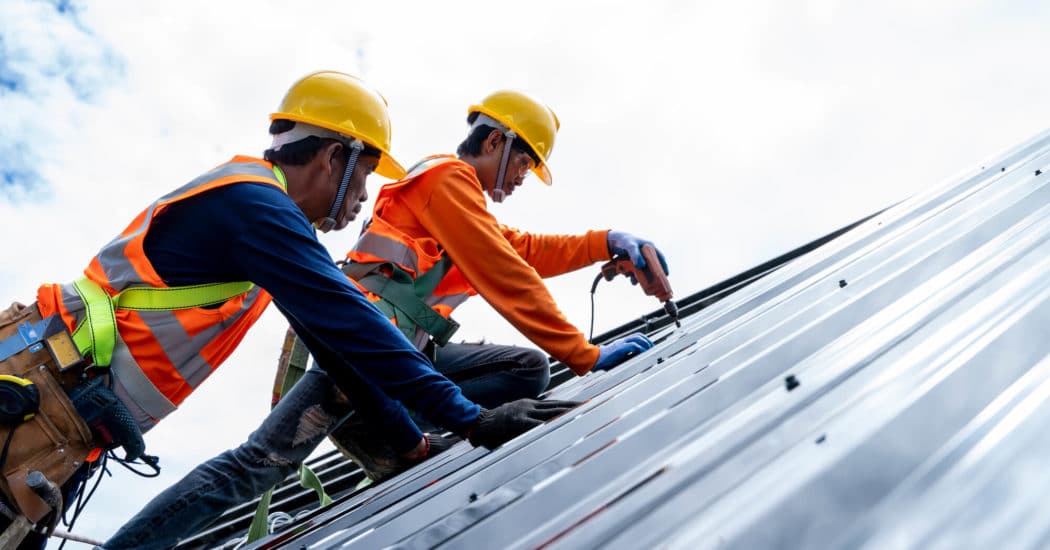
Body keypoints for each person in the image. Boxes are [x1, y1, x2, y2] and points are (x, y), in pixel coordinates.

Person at [0, 70, 575, 550]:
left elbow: (339, 347)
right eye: (365, 177)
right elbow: (354, 325)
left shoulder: (258, 221)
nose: (361, 199)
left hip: (61, 417)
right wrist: (469, 418)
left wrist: (416, 440)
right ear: (333, 157)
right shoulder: (257, 206)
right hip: (36, 401)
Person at [324, 89, 664, 475]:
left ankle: (399, 431)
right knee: (528, 370)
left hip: (392, 349)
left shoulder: (456, 200)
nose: (523, 177)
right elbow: (506, 272)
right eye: (523, 162)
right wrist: (585, 354)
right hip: (367, 349)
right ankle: (390, 428)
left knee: (530, 368)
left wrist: (606, 242)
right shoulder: (447, 179)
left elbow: (524, 250)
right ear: (494, 141)